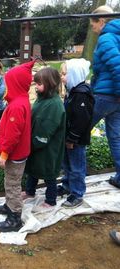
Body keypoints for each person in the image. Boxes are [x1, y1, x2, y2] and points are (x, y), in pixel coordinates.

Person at [0, 61, 34, 232]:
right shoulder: (21, 100)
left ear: (15, 84)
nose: (5, 87)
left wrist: (4, 153)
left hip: (14, 155)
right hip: (18, 154)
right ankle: (9, 205)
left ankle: (14, 217)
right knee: (10, 182)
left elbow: (12, 135)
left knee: (12, 184)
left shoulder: (17, 106)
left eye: (7, 84)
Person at [24, 67, 66, 212]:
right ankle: (30, 191)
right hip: (36, 143)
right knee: (33, 168)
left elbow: (47, 128)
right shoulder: (42, 99)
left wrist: (35, 142)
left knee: (49, 173)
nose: (36, 86)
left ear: (50, 83)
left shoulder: (54, 104)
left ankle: (51, 200)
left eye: (39, 83)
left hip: (48, 146)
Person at [57, 58, 94, 208]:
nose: (61, 77)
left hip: (76, 140)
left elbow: (81, 121)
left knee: (77, 166)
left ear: (75, 75)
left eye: (64, 74)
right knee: (67, 164)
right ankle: (67, 185)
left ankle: (77, 193)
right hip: (68, 137)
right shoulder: (72, 91)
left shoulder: (81, 94)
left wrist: (72, 138)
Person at [90, 5, 120, 189]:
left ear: (101, 21)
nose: (92, 29)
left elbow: (117, 66)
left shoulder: (106, 38)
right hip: (116, 99)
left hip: (106, 96)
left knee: (77, 132)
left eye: (93, 24)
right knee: (116, 138)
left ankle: (71, 182)